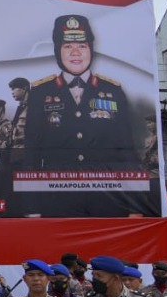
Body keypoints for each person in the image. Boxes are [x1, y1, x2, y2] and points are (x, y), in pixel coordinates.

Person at [24, 14, 143, 216]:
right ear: (57, 51)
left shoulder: (113, 91)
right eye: (68, 46)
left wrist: (136, 207)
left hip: (107, 199)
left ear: (91, 49)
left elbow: (127, 152)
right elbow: (31, 155)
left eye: (83, 45)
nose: (76, 52)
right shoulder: (40, 92)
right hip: (57, 199)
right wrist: (31, 209)